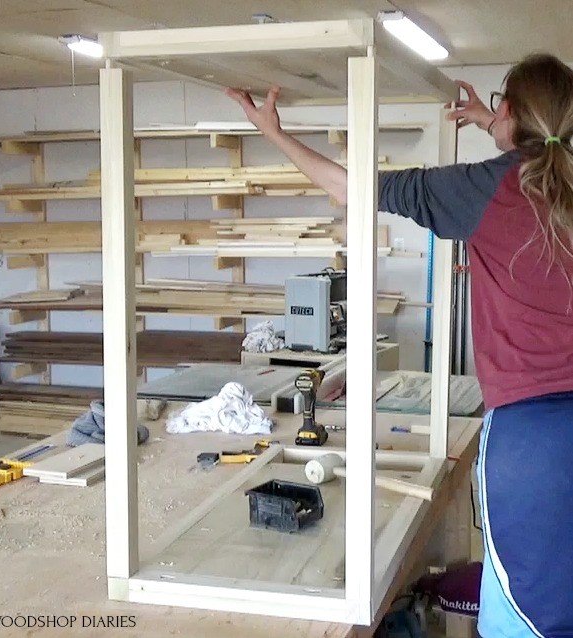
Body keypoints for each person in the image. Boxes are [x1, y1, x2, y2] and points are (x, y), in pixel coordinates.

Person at [227, 53, 573, 637]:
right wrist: (497, 121)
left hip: (531, 443)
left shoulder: (484, 187)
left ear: (511, 111)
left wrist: (274, 132)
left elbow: (348, 189)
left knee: (528, 617)